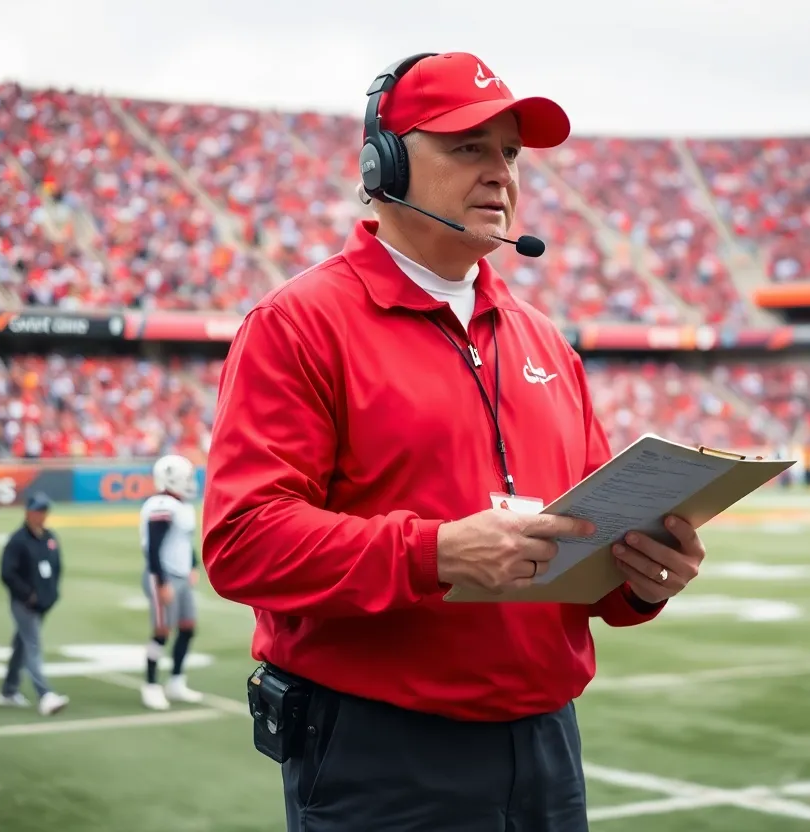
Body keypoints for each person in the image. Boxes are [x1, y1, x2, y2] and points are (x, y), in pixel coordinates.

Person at [201, 50, 706, 832]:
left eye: (509, 152)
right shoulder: (298, 325)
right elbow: (241, 542)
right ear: (386, 163)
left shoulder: (545, 342)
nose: (500, 172)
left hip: (546, 747)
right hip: (380, 754)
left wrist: (644, 578)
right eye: (467, 147)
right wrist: (434, 553)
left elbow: (592, 546)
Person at [139, 454, 205, 711]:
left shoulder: (181, 505)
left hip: (180, 576)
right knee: (161, 633)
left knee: (187, 627)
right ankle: (151, 685)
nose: (190, 482)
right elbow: (154, 548)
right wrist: (162, 581)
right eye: (186, 477)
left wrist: (192, 565)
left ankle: (176, 680)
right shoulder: (161, 504)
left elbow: (183, 542)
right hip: (162, 576)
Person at [0, 492, 69, 716]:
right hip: (24, 603)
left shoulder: (50, 538)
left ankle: (8, 690)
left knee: (22, 644)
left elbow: (57, 568)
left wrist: (52, 594)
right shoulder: (18, 540)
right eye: (38, 510)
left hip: (43, 603)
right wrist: (27, 594)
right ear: (28, 512)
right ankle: (45, 694)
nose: (42, 515)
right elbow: (7, 572)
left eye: (45, 510)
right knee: (33, 645)